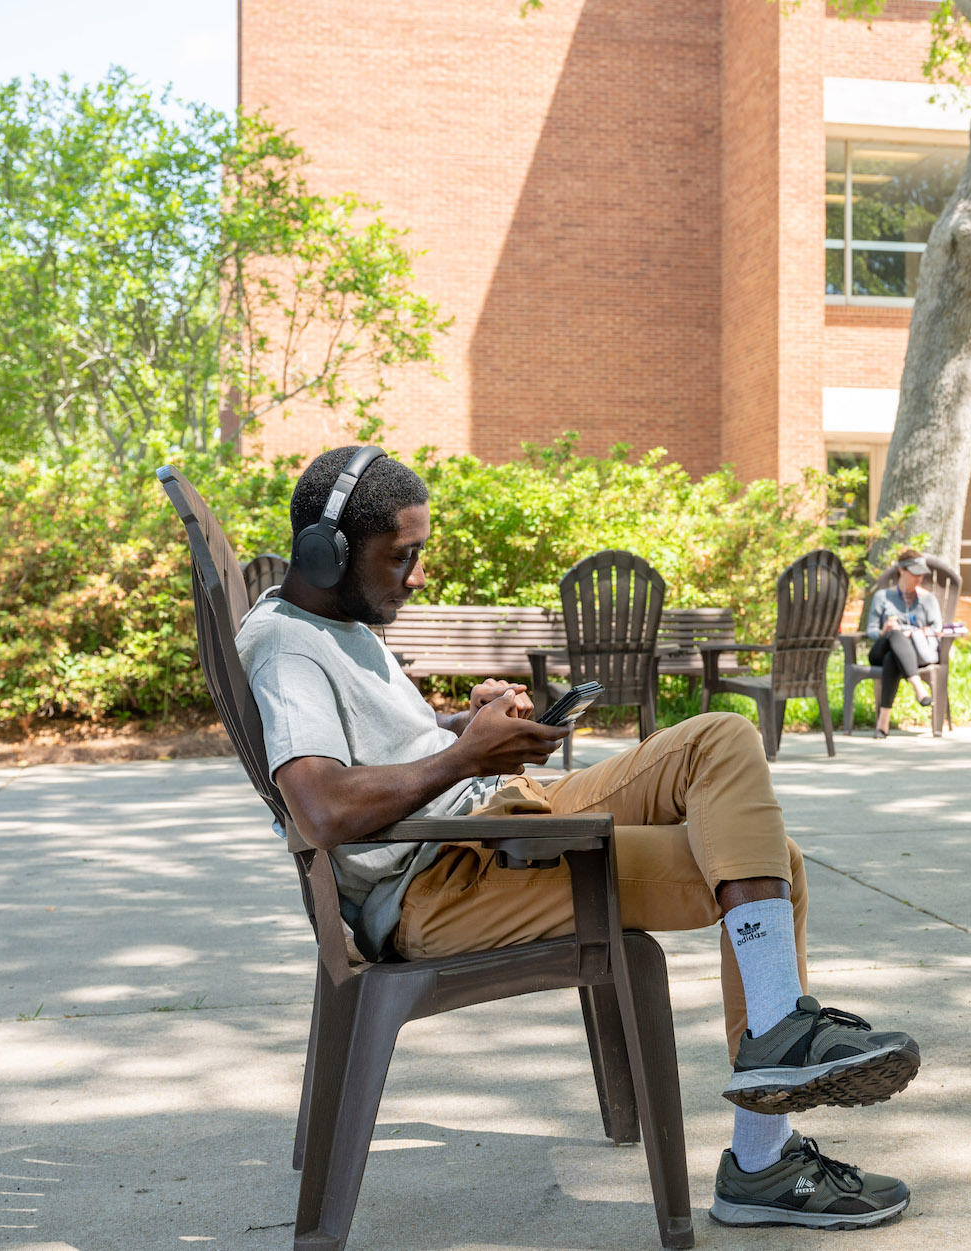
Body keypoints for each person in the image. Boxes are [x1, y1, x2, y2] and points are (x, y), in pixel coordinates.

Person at [234, 446, 920, 1230]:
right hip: (444, 882)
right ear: (329, 553)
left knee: (721, 742)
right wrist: (465, 754)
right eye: (404, 556)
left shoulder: (334, 622)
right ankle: (764, 1146)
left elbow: (384, 750)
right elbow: (319, 808)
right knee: (777, 867)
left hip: (489, 821)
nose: (418, 574)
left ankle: (778, 1045)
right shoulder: (288, 646)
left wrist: (469, 725)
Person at [864, 548, 943, 739]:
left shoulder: (928, 599)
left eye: (922, 574)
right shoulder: (883, 597)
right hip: (879, 652)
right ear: (901, 570)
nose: (919, 578)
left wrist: (915, 632)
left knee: (894, 656)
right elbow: (871, 631)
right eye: (915, 573)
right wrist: (885, 631)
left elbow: (937, 629)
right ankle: (918, 686)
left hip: (914, 653)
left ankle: (883, 722)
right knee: (895, 635)